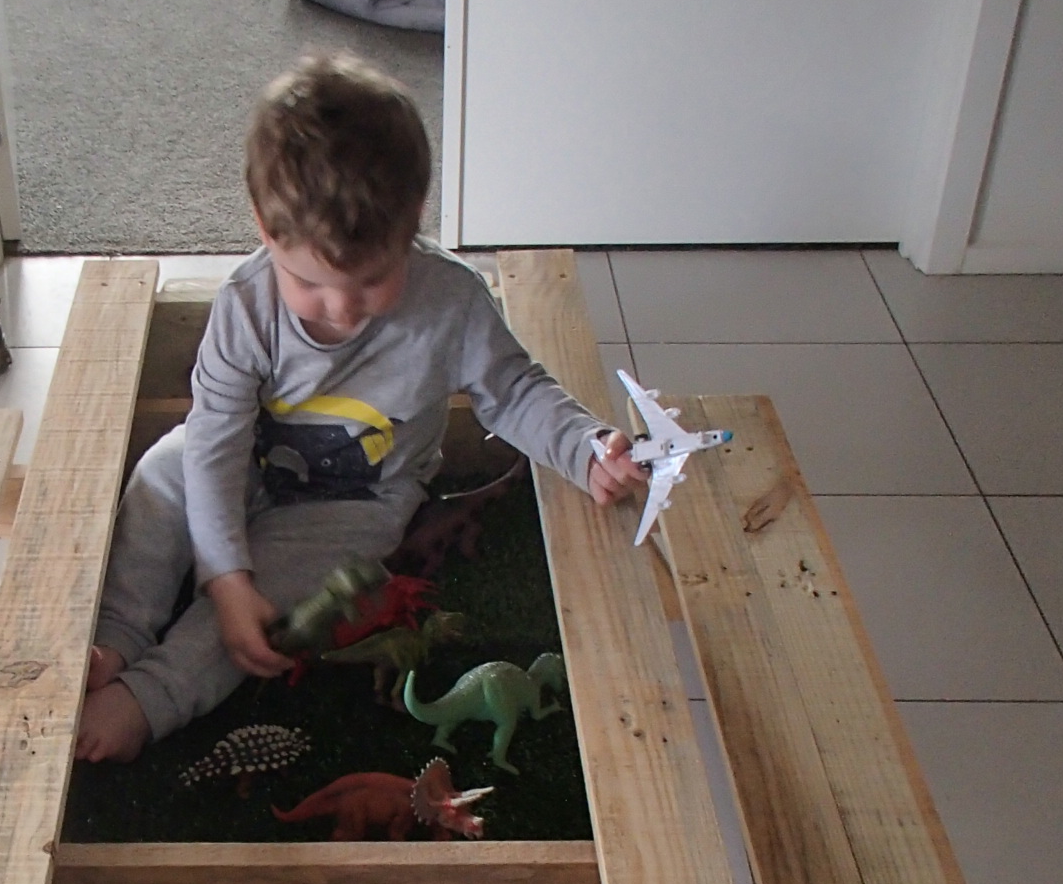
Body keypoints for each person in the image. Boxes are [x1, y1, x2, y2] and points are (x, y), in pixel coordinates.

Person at [75, 52, 648, 762]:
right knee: (163, 475)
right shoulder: (246, 304)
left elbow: (515, 390)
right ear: (263, 227)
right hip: (248, 460)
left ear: (412, 223)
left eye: (374, 280)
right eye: (310, 283)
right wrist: (223, 572)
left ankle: (148, 696)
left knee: (270, 613)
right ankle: (119, 637)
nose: (343, 309)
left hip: (355, 505)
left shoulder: (451, 302)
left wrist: (584, 447)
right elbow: (217, 439)